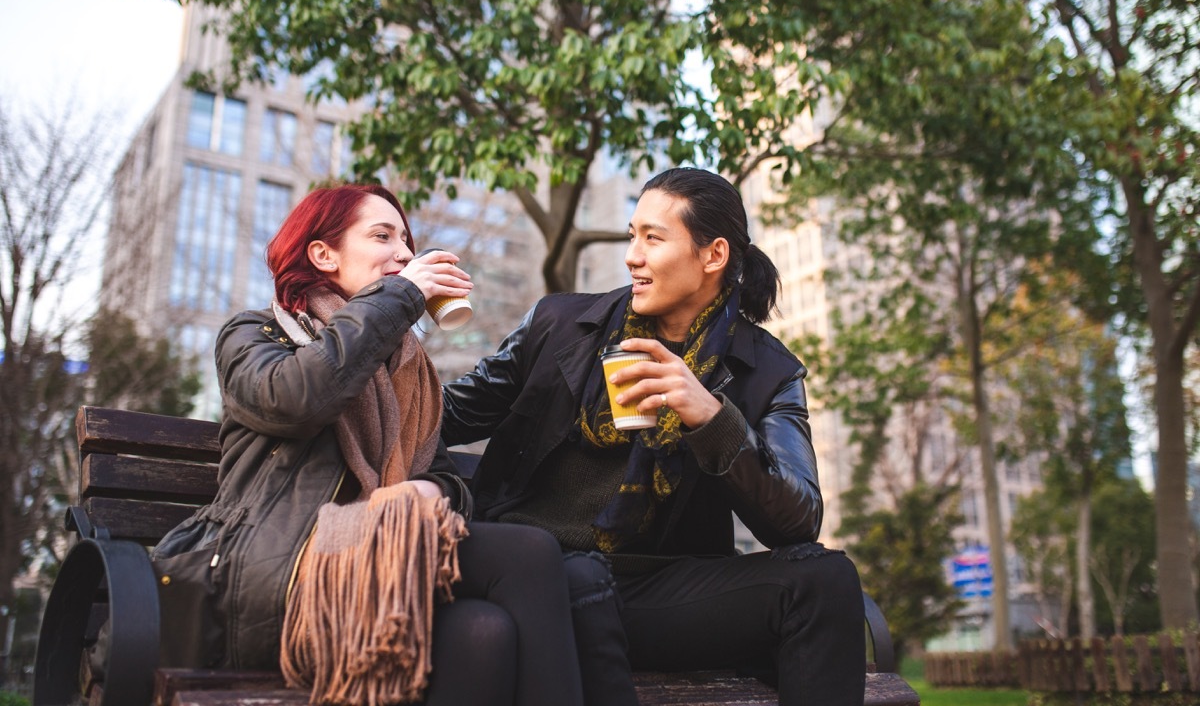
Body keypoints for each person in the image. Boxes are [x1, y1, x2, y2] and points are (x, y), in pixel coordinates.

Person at [442, 167, 867, 706]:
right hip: (539, 579)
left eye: (653, 238)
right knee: (577, 577)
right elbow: (447, 413)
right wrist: (379, 327)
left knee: (825, 580)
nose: (632, 256)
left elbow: (798, 520)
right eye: (632, 235)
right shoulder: (559, 325)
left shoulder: (768, 371)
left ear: (712, 255)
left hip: (655, 593)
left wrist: (710, 417)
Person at [150, 183, 585, 706]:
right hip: (278, 573)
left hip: (384, 563)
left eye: (406, 239)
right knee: (531, 552)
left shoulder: (406, 367)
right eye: (383, 236)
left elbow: (443, 473)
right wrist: (401, 297)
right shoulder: (255, 335)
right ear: (322, 254)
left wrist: (431, 494)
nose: (404, 252)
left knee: (483, 630)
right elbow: (300, 397)